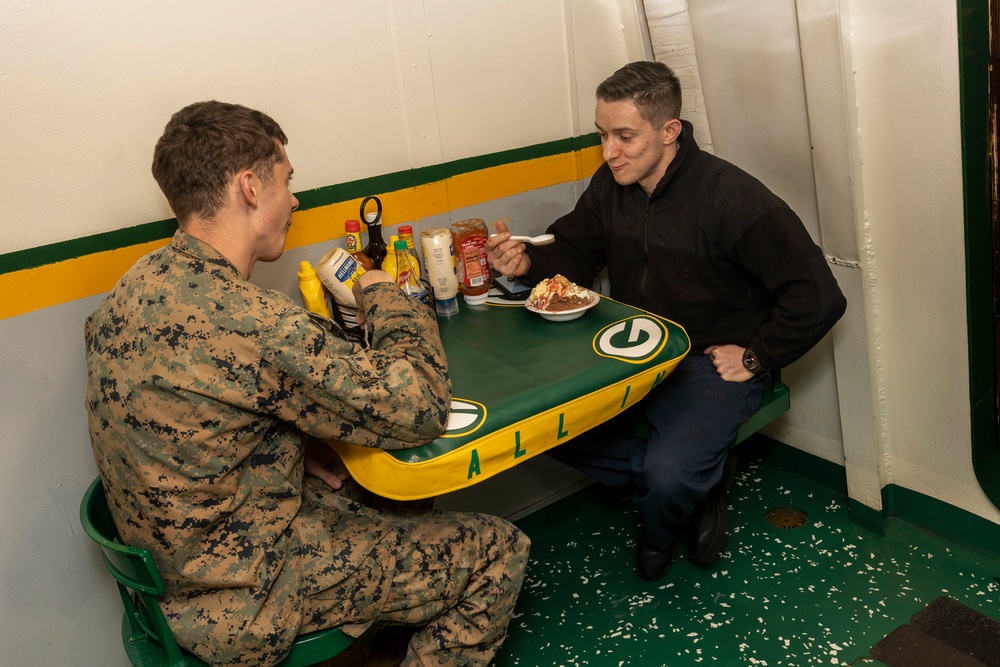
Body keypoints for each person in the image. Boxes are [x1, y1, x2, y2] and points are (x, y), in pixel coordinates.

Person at [85, 101, 529, 667]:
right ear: (250, 187)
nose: (293, 199)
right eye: (286, 181)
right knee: (498, 550)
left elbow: (193, 419)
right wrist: (380, 289)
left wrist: (295, 445)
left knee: (387, 493)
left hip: (175, 571)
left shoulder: (138, 284)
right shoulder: (252, 322)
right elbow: (419, 403)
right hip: (245, 595)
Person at [487, 61, 845, 583]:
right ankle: (703, 481)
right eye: (603, 135)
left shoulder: (734, 198)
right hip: (631, 349)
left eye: (625, 136)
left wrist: (756, 356)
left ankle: (660, 530)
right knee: (535, 428)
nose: (610, 152)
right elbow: (573, 250)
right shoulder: (612, 185)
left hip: (706, 365)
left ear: (669, 131)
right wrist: (527, 264)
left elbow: (819, 295)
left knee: (669, 474)